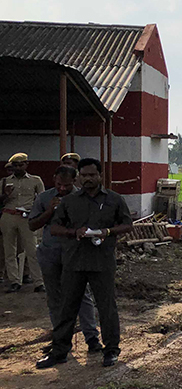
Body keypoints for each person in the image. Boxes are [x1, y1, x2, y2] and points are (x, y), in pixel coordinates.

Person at [36, 158, 133, 369]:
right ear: (78, 176)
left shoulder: (114, 200)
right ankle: (60, 351)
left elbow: (127, 225)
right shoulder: (70, 201)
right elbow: (55, 228)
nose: (88, 179)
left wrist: (108, 231)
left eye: (92, 175)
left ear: (100, 176)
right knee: (66, 308)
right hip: (74, 261)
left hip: (102, 262)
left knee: (106, 307)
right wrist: (74, 232)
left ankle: (111, 350)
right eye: (84, 175)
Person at [28, 165, 102, 354]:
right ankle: (60, 339)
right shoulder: (44, 198)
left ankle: (91, 337)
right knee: (55, 298)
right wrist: (49, 211)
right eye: (59, 184)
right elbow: (32, 225)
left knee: (81, 295)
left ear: (75, 181)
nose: (62, 189)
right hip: (50, 253)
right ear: (54, 179)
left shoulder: (83, 198)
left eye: (67, 185)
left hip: (75, 254)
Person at [0, 153, 45, 293]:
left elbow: (41, 199)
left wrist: (35, 213)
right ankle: (14, 281)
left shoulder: (35, 180)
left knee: (32, 250)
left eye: (21, 165)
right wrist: (5, 194)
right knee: (9, 250)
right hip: (8, 214)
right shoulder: (4, 182)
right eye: (16, 165)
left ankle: (38, 282)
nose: (19, 168)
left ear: (27, 164)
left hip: (26, 216)